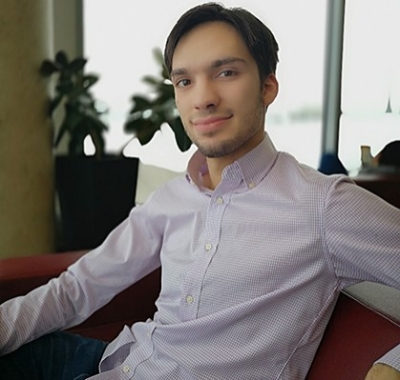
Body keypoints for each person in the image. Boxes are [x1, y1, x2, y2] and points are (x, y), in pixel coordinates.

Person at [1, 3, 400, 379]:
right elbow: (80, 286)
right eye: (185, 81)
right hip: (115, 360)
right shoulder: (174, 197)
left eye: (226, 73)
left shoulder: (324, 204)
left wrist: (392, 364)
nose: (204, 98)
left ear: (267, 86)